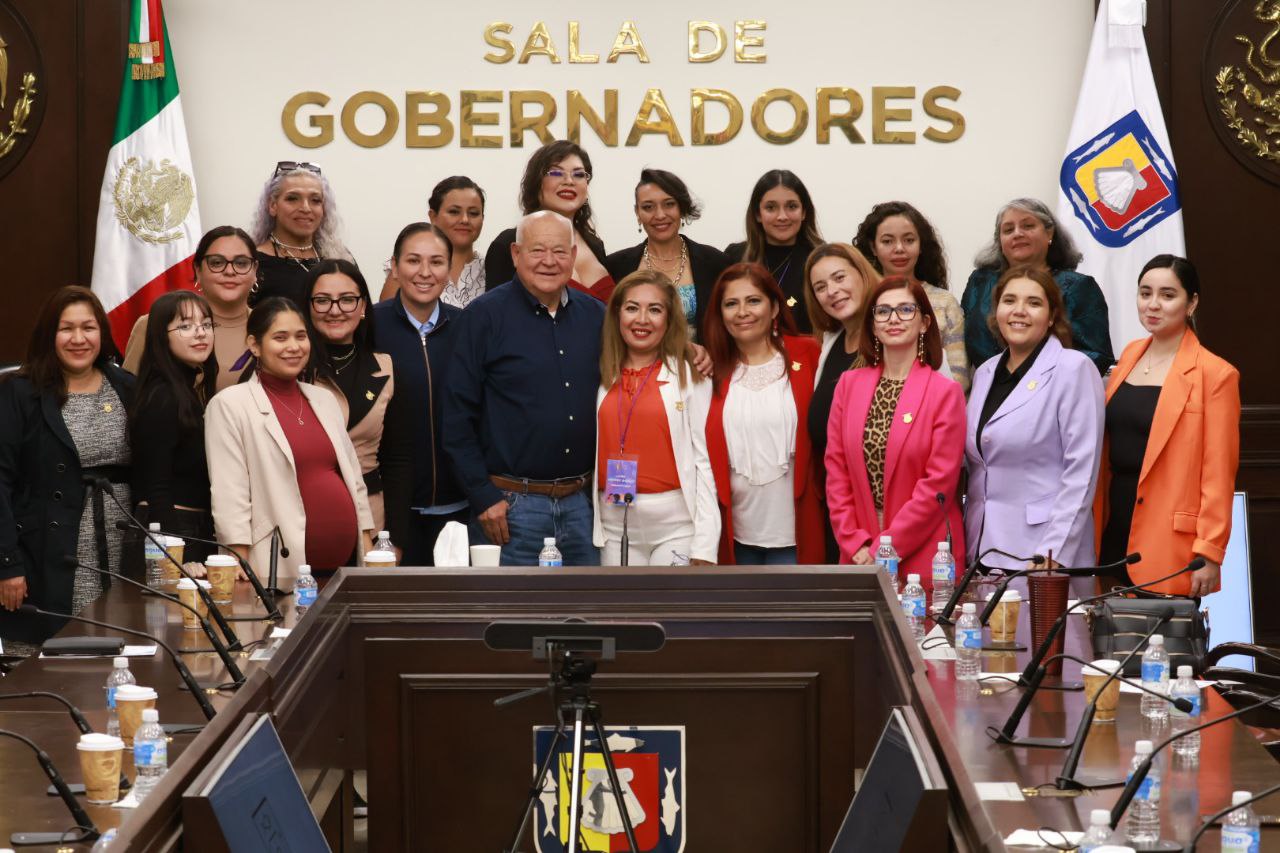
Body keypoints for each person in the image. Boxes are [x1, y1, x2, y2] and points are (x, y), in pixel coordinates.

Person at [445, 211, 605, 565]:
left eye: (560, 252)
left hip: (583, 507)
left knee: (586, 618)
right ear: (516, 254)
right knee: (510, 618)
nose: (549, 261)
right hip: (511, 507)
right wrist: (483, 497)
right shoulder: (483, 316)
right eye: (537, 251)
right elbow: (455, 416)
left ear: (574, 256)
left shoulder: (597, 317)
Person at [1094, 255, 1240, 596]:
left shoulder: (1215, 374)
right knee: (1106, 643)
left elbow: (1218, 473)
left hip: (1169, 540)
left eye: (1167, 295)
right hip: (1114, 523)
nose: (1153, 305)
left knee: (1160, 646)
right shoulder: (1128, 355)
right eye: (1145, 293)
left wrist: (1209, 551)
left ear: (1191, 303)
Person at [0, 287, 135, 653]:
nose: (79, 339)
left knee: (118, 655)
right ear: (50, 335)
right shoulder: (21, 392)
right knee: (47, 665)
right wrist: (7, 565)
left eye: (88, 327)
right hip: (44, 551)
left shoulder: (126, 387)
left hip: (119, 549)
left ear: (102, 333)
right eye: (66, 329)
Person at [205, 298, 373, 581]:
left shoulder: (324, 399)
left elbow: (355, 481)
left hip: (344, 571)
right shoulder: (230, 405)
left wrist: (367, 546)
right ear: (254, 345)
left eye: (301, 336)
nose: (294, 347)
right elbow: (229, 493)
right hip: (276, 573)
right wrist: (239, 562)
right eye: (280, 338)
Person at [824, 277, 966, 585]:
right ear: (873, 324)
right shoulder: (848, 386)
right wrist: (855, 543)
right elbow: (836, 472)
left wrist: (884, 549)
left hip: (925, 550)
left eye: (905, 309)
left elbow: (937, 487)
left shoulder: (945, 393)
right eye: (883, 311)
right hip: (858, 550)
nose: (894, 319)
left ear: (925, 322)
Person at [965, 266, 1105, 573]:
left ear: (1052, 315)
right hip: (982, 549)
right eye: (1009, 300)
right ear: (996, 310)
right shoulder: (985, 373)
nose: (1019, 311)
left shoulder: (1073, 368)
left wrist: (1051, 553)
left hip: (1043, 555)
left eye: (1034, 303)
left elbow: (1081, 474)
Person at [593, 270, 719, 565]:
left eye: (655, 309)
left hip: (676, 528)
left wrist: (705, 544)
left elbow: (705, 462)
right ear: (616, 314)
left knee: (671, 612)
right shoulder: (598, 371)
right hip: (613, 527)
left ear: (669, 319)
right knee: (621, 613)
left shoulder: (691, 373)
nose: (642, 320)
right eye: (632, 308)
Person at [702, 263, 823, 565]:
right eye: (731, 303)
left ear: (774, 308)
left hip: (797, 532)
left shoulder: (810, 354)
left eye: (753, 300)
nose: (742, 311)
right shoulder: (709, 369)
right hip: (735, 534)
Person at [374, 224, 469, 565]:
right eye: (413, 261)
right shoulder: (369, 326)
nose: (425, 273)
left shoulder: (468, 327)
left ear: (449, 268)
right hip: (392, 510)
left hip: (461, 506)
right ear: (395, 267)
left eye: (437, 262)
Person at [961, 197, 1114, 374]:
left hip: (1053, 393)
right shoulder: (980, 282)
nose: (1017, 233)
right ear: (1000, 242)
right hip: (988, 390)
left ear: (1050, 234)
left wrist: (1035, 379)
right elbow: (961, 343)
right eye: (1008, 229)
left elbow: (1096, 355)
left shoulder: (1078, 287)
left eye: (1028, 226)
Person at [129, 291, 219, 566]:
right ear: (161, 336)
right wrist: (174, 549)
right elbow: (156, 483)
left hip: (189, 527)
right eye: (185, 326)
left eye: (206, 324)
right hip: (170, 530)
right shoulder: (163, 395)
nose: (200, 333)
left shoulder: (186, 390)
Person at [801, 243, 879, 562]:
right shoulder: (830, 343)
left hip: (883, 517)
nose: (832, 291)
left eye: (839, 278)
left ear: (861, 274)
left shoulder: (893, 336)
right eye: (821, 287)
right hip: (839, 511)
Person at [305, 260, 394, 534]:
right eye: (322, 300)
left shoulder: (386, 368)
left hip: (369, 514)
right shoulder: (290, 367)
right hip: (303, 513)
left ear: (364, 306)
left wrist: (397, 539)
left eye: (347, 300)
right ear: (307, 306)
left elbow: (399, 459)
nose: (335, 310)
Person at [122, 225, 258, 391]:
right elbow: (129, 398)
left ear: (255, 270)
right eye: (216, 262)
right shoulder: (154, 323)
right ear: (197, 270)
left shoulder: (272, 328)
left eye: (241, 263)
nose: (230, 271)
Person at [853, 201, 969, 390]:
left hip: (930, 408)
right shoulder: (861, 300)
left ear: (921, 245)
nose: (899, 248)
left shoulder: (945, 302)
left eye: (909, 240)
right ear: (873, 247)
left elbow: (959, 377)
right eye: (887, 241)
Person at [604, 169, 730, 336]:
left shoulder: (715, 262)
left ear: (681, 208)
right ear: (638, 213)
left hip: (702, 361)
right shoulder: (615, 266)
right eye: (648, 207)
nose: (660, 215)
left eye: (669, 204)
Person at [484, 140, 614, 302]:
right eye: (556, 173)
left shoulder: (595, 244)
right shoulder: (508, 243)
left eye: (579, 174)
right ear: (537, 184)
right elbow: (495, 313)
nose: (569, 181)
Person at [724, 170, 823, 335]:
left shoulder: (821, 259)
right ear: (757, 214)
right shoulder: (735, 257)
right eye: (771, 208)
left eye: (791, 206)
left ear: (804, 212)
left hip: (808, 356)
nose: (782, 216)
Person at [250, 161, 353, 311]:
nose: (305, 208)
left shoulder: (341, 257)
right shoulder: (252, 264)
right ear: (273, 206)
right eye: (292, 198)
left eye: (315, 200)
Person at [378, 176, 487, 308]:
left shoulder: (491, 268)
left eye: (473, 213)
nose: (465, 219)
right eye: (454, 212)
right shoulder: (408, 267)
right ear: (433, 216)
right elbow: (386, 321)